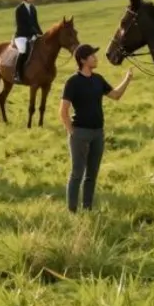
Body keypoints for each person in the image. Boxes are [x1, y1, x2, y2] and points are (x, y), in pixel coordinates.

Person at [59, 44, 133, 213]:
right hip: (80, 133)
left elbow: (115, 95)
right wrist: (72, 132)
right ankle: (72, 210)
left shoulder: (98, 79)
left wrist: (127, 79)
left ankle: (87, 209)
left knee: (92, 174)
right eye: (92, 56)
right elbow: (63, 111)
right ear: (83, 60)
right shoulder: (73, 82)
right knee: (77, 173)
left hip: (98, 134)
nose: (96, 58)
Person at [13, 0, 43, 84]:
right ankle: (17, 74)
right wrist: (32, 34)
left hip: (31, 35)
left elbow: (35, 23)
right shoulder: (19, 9)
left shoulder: (33, 8)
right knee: (23, 51)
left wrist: (41, 34)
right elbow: (21, 25)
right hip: (21, 36)